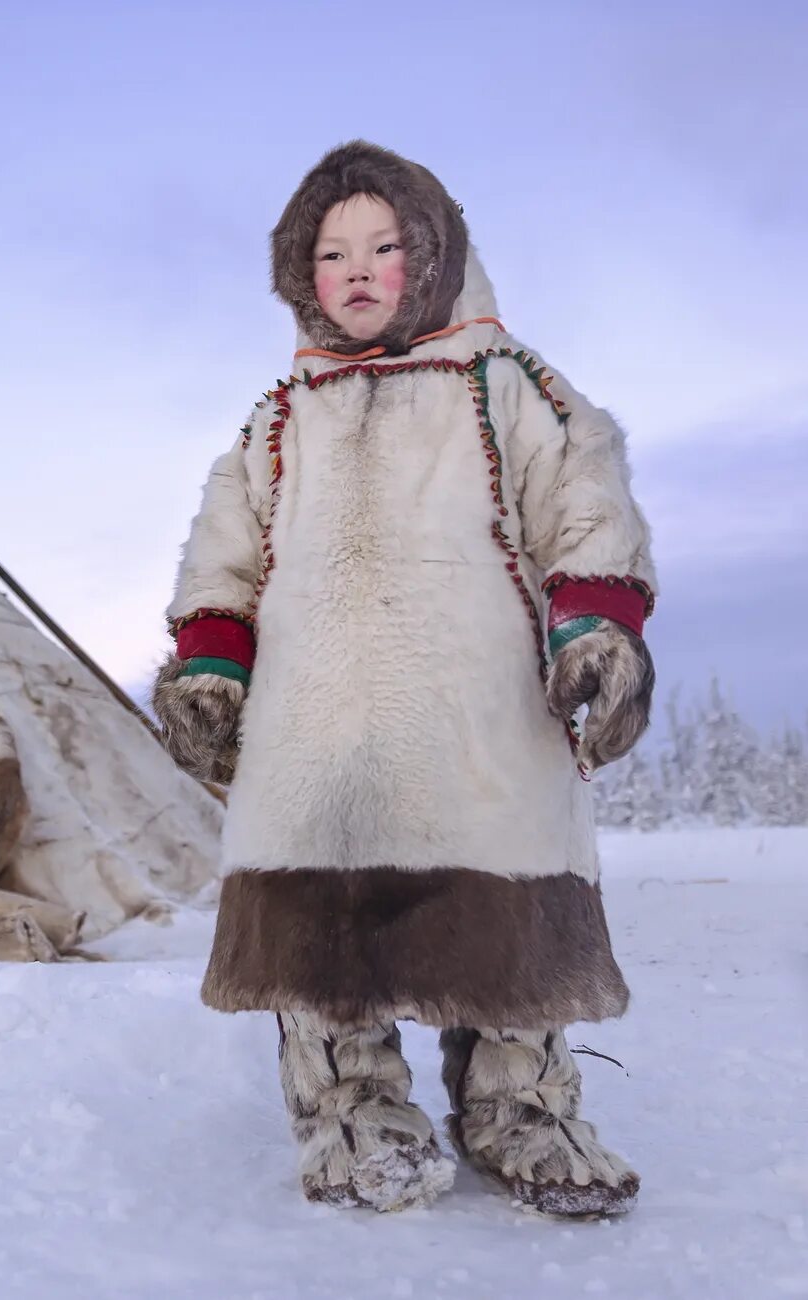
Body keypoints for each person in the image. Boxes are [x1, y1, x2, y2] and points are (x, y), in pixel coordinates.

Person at [154, 141, 655, 1217]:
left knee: (508, 934)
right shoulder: (280, 415)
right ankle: (353, 1118)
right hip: (317, 728)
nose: (360, 268)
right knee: (322, 944)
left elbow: (584, 498)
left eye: (387, 245)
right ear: (301, 273)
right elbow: (223, 552)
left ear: (433, 255)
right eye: (332, 253)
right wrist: (208, 667)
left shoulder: (508, 383)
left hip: (480, 718)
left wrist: (597, 630)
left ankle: (521, 1112)